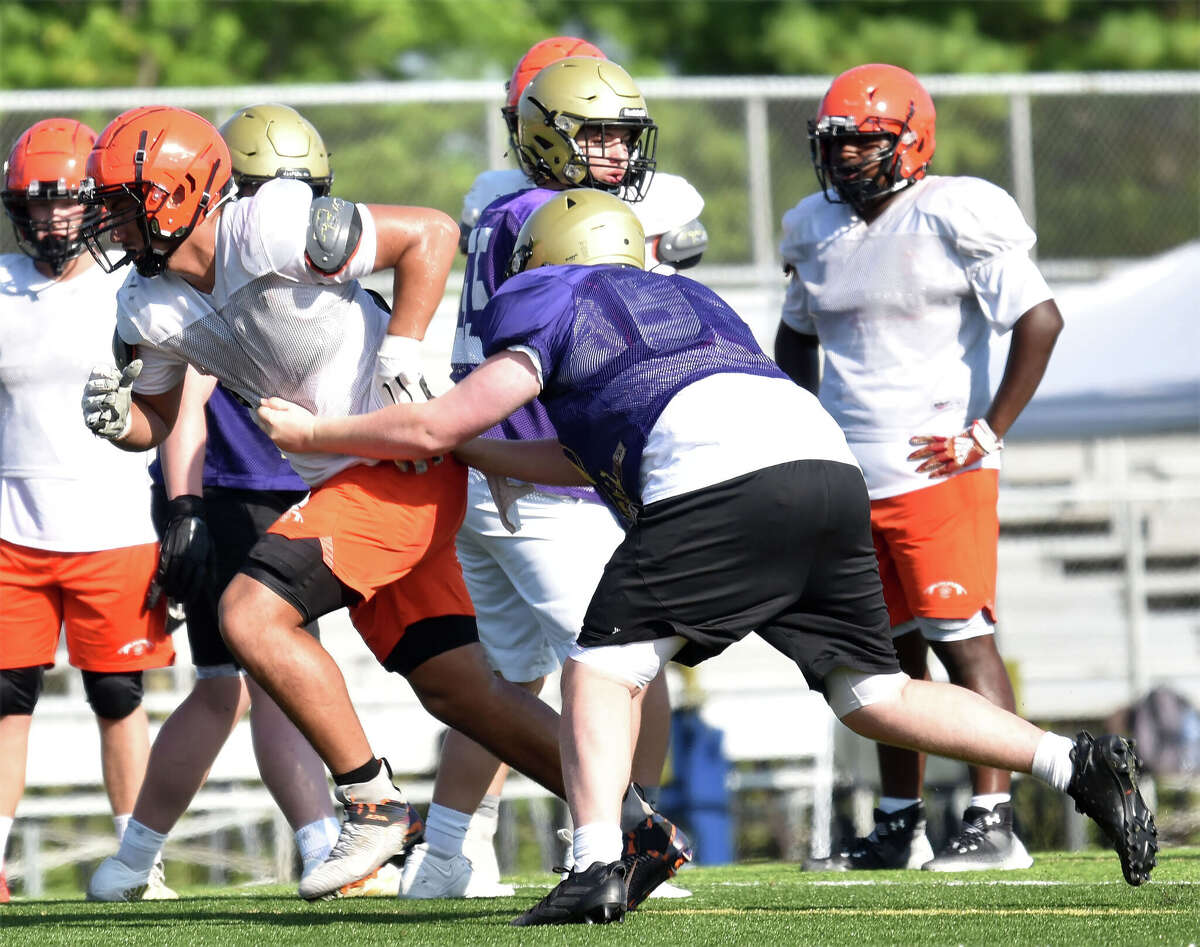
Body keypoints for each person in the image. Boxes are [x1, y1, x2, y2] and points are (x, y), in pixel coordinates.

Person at [254, 189, 1157, 925]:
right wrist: (476, 454)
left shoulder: (557, 296)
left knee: (600, 669)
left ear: (551, 256)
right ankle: (1074, 763)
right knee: (871, 694)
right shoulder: (692, 301)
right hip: (824, 470)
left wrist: (318, 429)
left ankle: (600, 858)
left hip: (720, 478)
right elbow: (577, 456)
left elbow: (432, 420)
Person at [75, 105, 682, 908]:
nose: (107, 219)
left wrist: (402, 347)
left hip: (403, 462)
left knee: (251, 616)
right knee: (461, 690)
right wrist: (123, 423)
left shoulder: (267, 225)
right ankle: (639, 828)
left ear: (183, 191)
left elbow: (428, 233)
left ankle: (371, 802)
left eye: (123, 198)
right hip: (351, 481)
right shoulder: (143, 304)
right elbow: (155, 417)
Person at [400, 52, 704, 900]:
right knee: (622, 666)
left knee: (507, 682)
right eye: (596, 134)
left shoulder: (502, 206)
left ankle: (445, 852)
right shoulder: (552, 215)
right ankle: (628, 838)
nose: (613, 152)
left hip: (489, 472)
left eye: (621, 136)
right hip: (542, 471)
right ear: (544, 136)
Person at [87, 104, 399, 902]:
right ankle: (330, 834)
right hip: (242, 486)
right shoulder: (193, 271)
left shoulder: (267, 240)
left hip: (294, 479)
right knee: (252, 669)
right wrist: (184, 501)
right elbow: (178, 407)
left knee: (238, 677)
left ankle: (137, 855)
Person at [775, 63, 1065, 872]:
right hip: (848, 474)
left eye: (863, 142)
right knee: (882, 656)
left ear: (910, 140)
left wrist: (987, 430)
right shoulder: (813, 227)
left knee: (964, 641)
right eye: (835, 143)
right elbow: (795, 335)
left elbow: (1040, 319)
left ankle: (994, 819)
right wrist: (803, 424)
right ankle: (900, 824)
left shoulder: (956, 210)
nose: (845, 159)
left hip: (938, 471)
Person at [0, 118, 176, 902]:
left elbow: (180, 396)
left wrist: (183, 500)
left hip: (114, 526)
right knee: (6, 698)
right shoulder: (2, 285)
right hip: (12, 525)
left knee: (118, 696)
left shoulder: (128, 284)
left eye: (64, 205)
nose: (48, 221)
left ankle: (139, 862)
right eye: (33, 208)